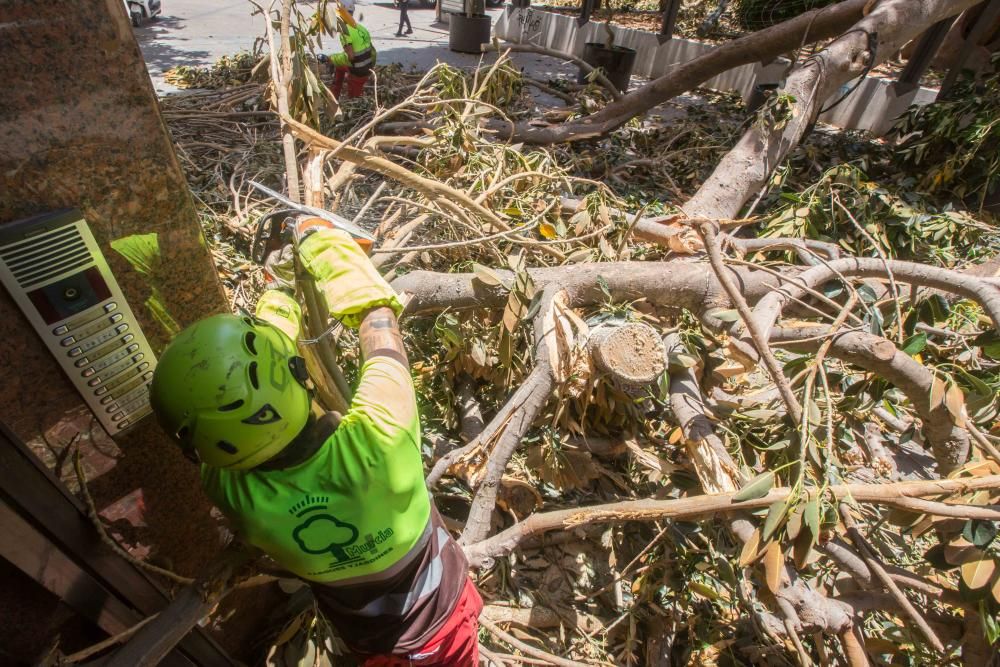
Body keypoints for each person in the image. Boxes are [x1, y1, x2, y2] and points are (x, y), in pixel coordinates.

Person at [149, 221, 482, 666]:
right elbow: (378, 321)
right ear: (297, 373)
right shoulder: (379, 439)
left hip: (360, 636)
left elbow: (241, 398)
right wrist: (321, 243)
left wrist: (281, 292)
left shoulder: (229, 491)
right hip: (441, 628)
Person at [319, 1, 376, 98]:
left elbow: (351, 56)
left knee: (354, 100)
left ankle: (335, 97)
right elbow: (372, 52)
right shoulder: (361, 28)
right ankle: (334, 94)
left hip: (358, 72)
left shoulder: (345, 32)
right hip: (368, 68)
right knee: (339, 67)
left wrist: (330, 59)